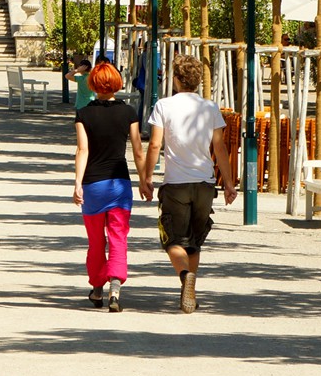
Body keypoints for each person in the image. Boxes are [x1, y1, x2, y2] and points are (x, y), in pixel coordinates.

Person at [140, 55, 236, 313]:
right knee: (193, 240)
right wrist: (228, 183)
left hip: (176, 184)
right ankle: (189, 294)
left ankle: (185, 277)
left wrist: (147, 178)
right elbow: (220, 146)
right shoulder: (210, 107)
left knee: (172, 241)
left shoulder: (163, 106)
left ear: (177, 79)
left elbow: (156, 145)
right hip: (205, 183)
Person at [73, 61, 142, 311]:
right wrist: (144, 179)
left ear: (92, 84)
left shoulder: (84, 114)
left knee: (95, 241)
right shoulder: (129, 113)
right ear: (116, 82)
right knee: (118, 236)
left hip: (93, 185)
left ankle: (96, 288)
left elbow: (83, 150)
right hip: (120, 184)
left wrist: (77, 183)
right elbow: (137, 150)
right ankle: (115, 286)